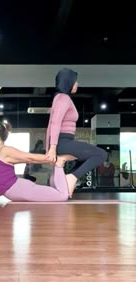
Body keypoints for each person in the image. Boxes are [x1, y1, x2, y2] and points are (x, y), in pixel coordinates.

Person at [46, 68, 108, 197]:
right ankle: (72, 178)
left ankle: (70, 177)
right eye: (75, 81)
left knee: (86, 158)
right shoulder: (63, 98)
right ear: (68, 82)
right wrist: (52, 148)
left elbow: (51, 124)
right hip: (62, 142)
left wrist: (51, 147)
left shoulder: (60, 98)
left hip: (64, 141)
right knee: (101, 154)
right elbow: (55, 123)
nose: (77, 84)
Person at [0, 121, 76, 202]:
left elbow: (29, 158)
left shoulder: (4, 151)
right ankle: (58, 163)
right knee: (58, 194)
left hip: (19, 189)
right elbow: (30, 160)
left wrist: (53, 159)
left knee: (62, 196)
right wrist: (50, 160)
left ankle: (60, 162)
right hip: (17, 190)